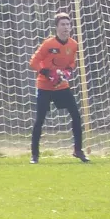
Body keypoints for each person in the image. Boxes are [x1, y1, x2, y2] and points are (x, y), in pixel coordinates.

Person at [29, 12, 89, 164]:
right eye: (62, 24)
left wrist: (68, 72)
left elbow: (71, 64)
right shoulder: (48, 44)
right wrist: (47, 72)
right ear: (56, 27)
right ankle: (35, 155)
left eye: (68, 24)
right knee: (40, 120)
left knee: (76, 115)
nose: (66, 27)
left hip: (62, 86)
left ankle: (78, 150)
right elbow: (33, 63)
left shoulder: (73, 45)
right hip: (44, 87)